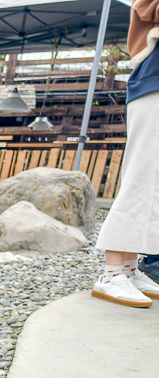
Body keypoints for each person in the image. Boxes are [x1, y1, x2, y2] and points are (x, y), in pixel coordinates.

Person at [90, 0, 159, 307]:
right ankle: (112, 272)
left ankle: (128, 269)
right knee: (142, 176)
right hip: (154, 83)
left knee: (154, 183)